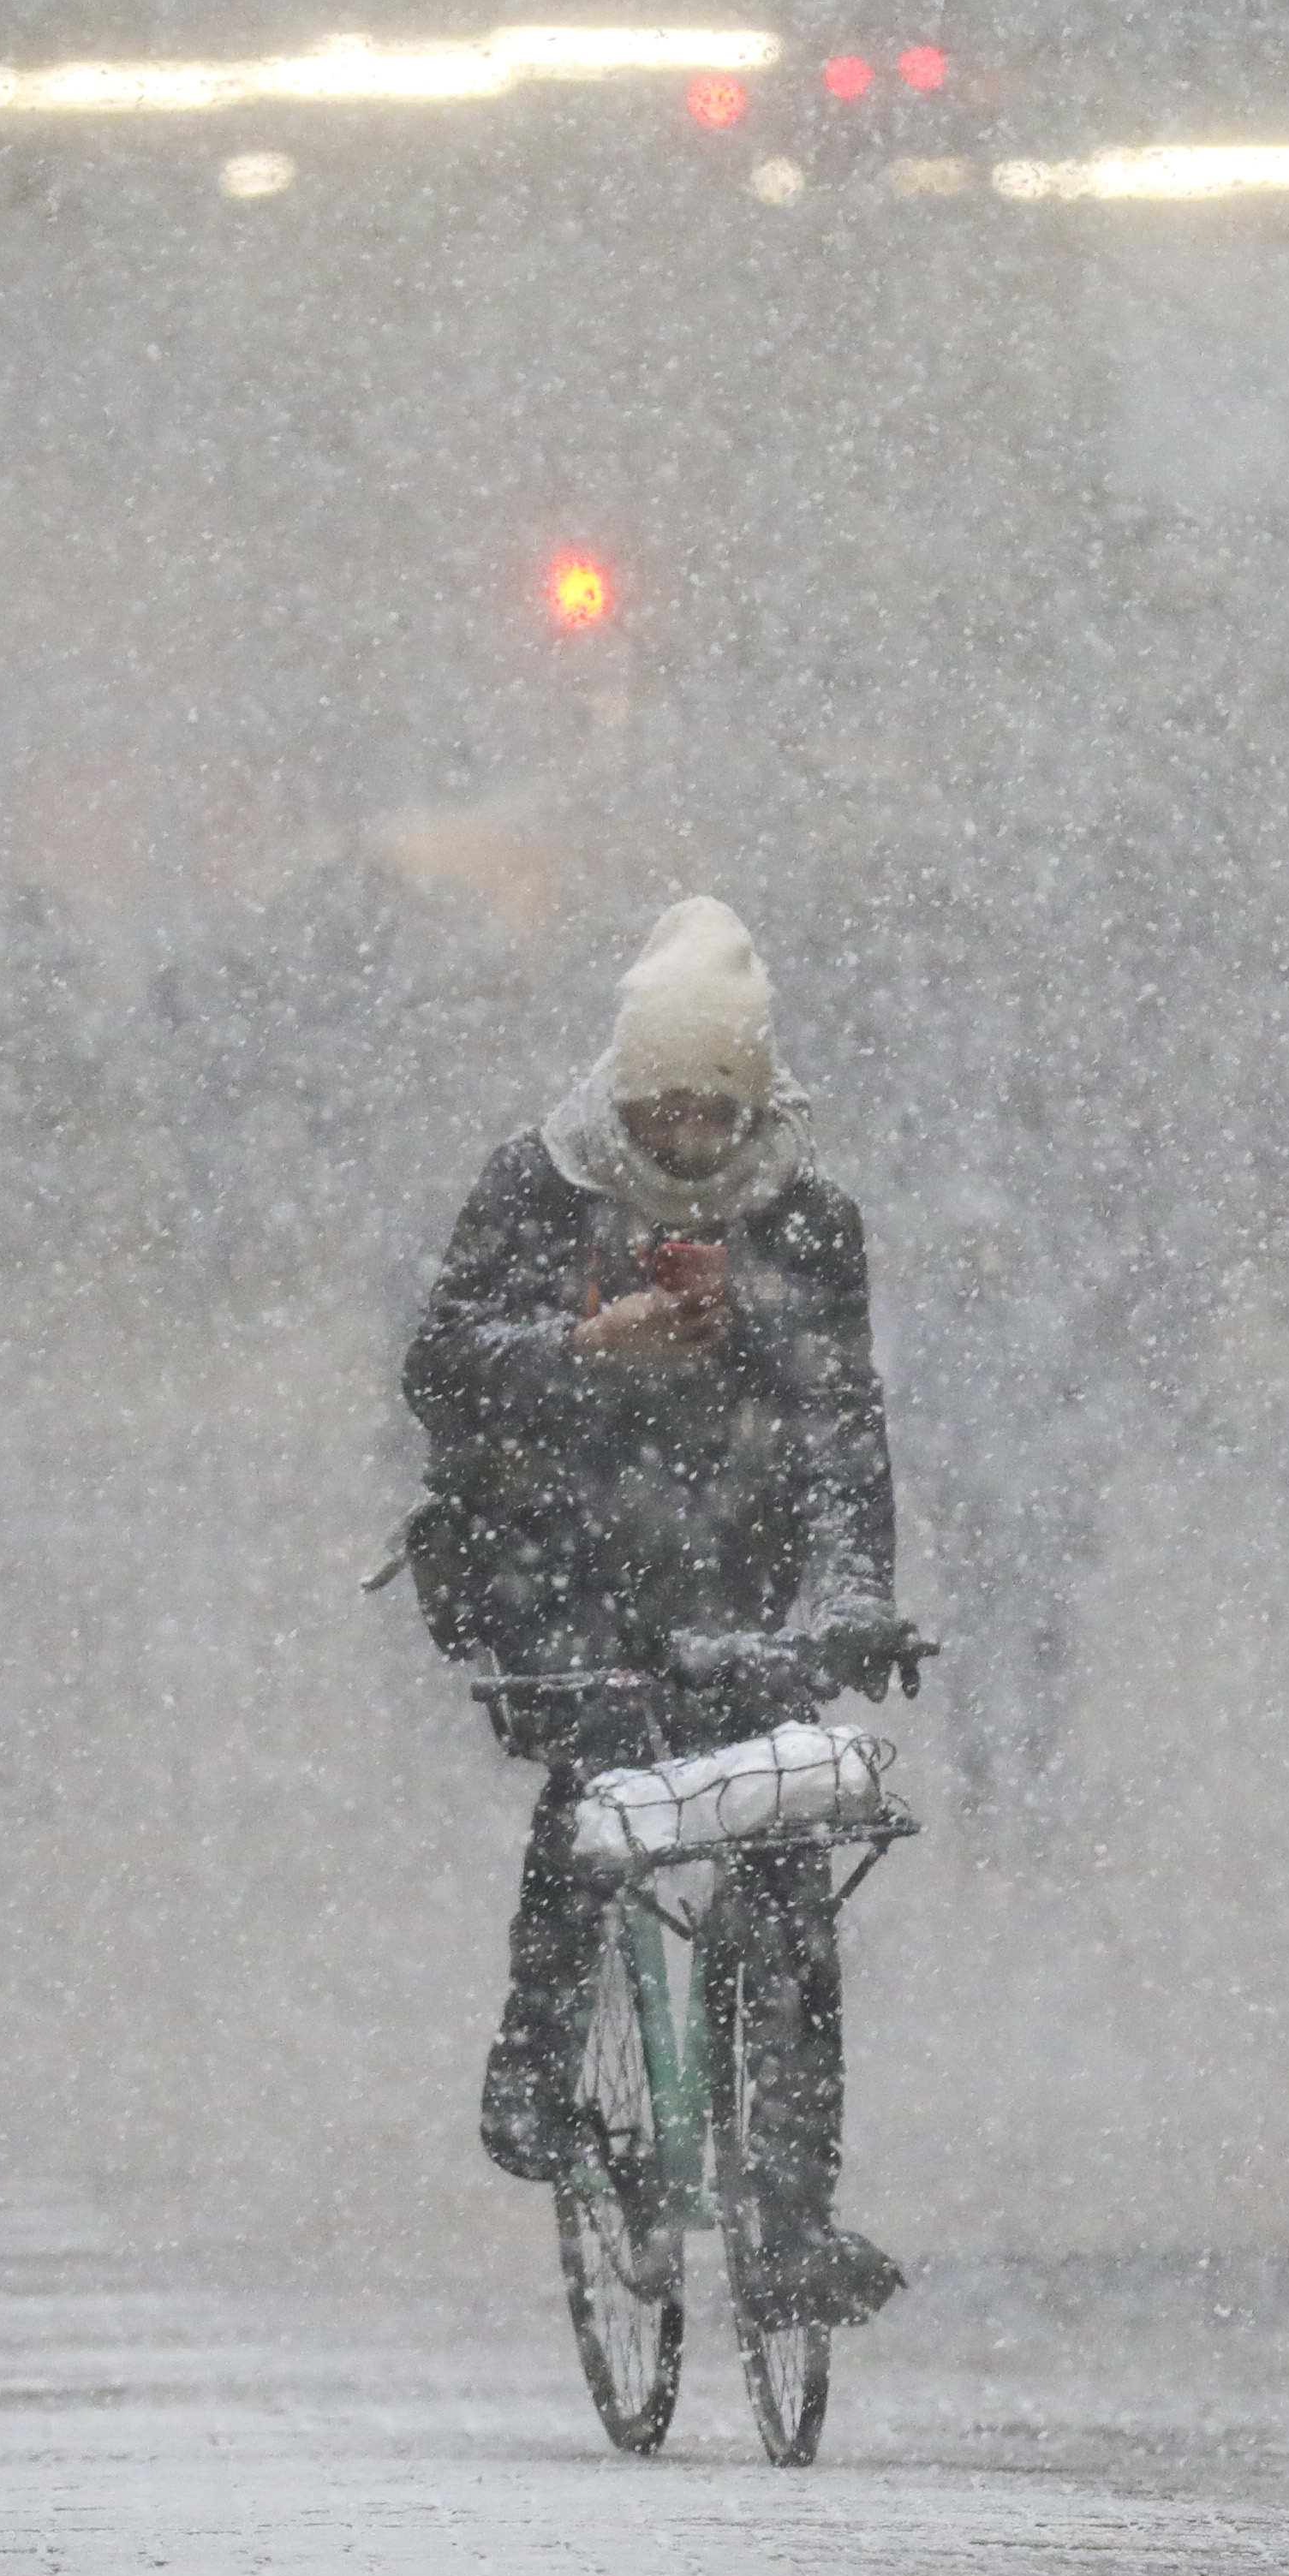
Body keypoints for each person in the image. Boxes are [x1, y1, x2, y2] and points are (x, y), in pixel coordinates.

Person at [403, 898, 907, 2327]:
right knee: (599, 1782)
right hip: (551, 1553)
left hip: (732, 1569)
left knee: (789, 1863)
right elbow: (442, 1369)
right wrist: (583, 1348)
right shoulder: (537, 1190)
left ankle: (792, 2215)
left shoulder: (807, 1224)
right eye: (659, 1105)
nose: (685, 1135)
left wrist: (852, 1597)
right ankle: (535, 2071)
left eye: (712, 1107)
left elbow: (837, 1432)